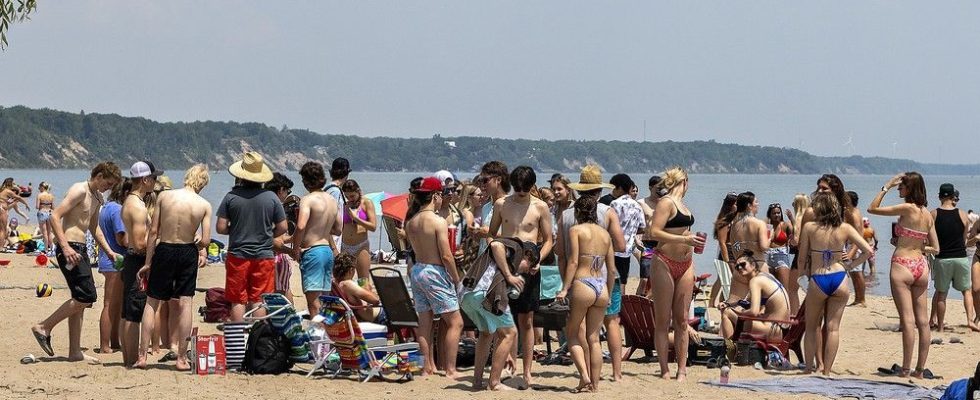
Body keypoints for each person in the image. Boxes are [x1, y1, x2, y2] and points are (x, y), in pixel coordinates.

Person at [31, 162, 122, 363]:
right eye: (107, 183)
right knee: (87, 296)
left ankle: (74, 351)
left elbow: (94, 228)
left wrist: (110, 252)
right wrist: (65, 247)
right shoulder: (79, 190)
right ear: (98, 175)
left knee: (80, 298)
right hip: (69, 248)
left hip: (81, 249)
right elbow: (55, 216)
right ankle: (44, 327)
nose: (108, 187)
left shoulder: (98, 197)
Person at [135, 164, 212, 370]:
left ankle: (142, 357)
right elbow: (205, 240)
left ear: (187, 177)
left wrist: (148, 262)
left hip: (165, 249)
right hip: (187, 250)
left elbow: (153, 232)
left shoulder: (165, 197)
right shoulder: (204, 205)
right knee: (185, 303)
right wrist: (197, 242)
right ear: (203, 183)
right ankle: (181, 359)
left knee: (152, 301)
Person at [555, 165, 626, 381]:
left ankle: (584, 374)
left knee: (577, 331)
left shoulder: (567, 216)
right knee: (608, 325)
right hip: (603, 281)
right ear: (598, 190)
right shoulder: (607, 215)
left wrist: (564, 285)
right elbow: (621, 246)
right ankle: (615, 373)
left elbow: (562, 254)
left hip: (579, 281)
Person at [867, 172, 939, 378]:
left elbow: (872, 208)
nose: (899, 189)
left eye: (901, 186)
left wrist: (886, 186)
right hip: (921, 265)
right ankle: (919, 369)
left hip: (902, 265)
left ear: (910, 189)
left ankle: (906, 369)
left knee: (907, 320)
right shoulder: (927, 215)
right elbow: (936, 248)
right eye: (897, 186)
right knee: (923, 321)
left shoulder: (907, 208)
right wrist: (918, 245)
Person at [487, 166, 554, 388]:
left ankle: (527, 370)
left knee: (527, 320)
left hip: (530, 264)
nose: (520, 192)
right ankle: (507, 364)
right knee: (503, 318)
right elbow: (491, 235)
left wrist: (537, 261)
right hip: (505, 263)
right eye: (518, 189)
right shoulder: (501, 204)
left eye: (525, 189)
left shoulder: (540, 206)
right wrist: (499, 258)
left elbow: (548, 240)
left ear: (532, 186)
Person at [798, 192, 872, 375]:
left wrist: (803, 276)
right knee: (833, 329)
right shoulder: (844, 228)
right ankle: (827, 372)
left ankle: (809, 368)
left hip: (819, 277)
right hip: (839, 277)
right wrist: (850, 265)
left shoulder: (809, 227)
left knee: (811, 326)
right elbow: (868, 251)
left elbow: (801, 259)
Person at [646, 167, 704, 381]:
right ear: (685, 182)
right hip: (664, 261)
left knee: (682, 320)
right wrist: (684, 240)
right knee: (663, 320)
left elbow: (681, 232)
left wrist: (690, 241)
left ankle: (682, 369)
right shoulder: (666, 202)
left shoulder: (684, 206)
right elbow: (654, 232)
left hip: (686, 263)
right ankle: (664, 369)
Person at [216, 152, 288, 322]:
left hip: (238, 255)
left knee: (237, 300)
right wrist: (268, 234)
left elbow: (220, 228)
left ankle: (238, 339)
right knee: (259, 299)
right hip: (264, 256)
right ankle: (256, 338)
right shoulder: (271, 197)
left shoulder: (231, 197)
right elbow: (283, 227)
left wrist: (235, 231)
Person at [556, 196, 616, 393]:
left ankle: (584, 376)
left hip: (583, 283)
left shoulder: (576, 230)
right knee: (594, 338)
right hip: (601, 286)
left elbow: (573, 261)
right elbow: (612, 268)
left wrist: (565, 288)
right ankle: (595, 385)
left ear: (577, 212)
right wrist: (607, 292)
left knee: (572, 333)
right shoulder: (605, 234)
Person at [405, 176, 463, 379]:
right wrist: (457, 280)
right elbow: (446, 255)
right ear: (436, 196)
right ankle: (450, 369)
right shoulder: (438, 221)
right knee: (456, 322)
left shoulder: (411, 222)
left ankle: (426, 367)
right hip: (434, 271)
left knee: (425, 322)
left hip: (417, 270)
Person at [459, 238, 535, 391]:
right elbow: (495, 244)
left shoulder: (507, 261)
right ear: (527, 255)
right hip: (483, 292)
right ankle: (494, 382)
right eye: (530, 266)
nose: (526, 271)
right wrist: (509, 276)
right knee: (510, 333)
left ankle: (477, 381)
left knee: (486, 333)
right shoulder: (518, 247)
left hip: (467, 294)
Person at [118, 161, 162, 367]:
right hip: (137, 261)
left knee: (128, 312)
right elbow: (139, 243)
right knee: (134, 313)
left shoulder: (132, 201)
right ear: (145, 180)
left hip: (131, 259)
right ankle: (131, 360)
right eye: (153, 178)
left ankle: (128, 359)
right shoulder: (137, 207)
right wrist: (161, 241)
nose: (155, 181)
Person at [291, 161, 342, 318]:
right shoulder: (332, 200)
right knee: (325, 300)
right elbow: (338, 229)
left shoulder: (308, 200)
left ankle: (318, 336)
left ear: (306, 181)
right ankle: (327, 334)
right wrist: (322, 227)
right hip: (327, 251)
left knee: (313, 302)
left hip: (313, 251)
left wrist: (296, 248)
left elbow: (300, 226)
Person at [929, 183, 978, 332]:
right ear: (952, 197)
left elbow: (930, 238)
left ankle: (941, 326)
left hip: (942, 258)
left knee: (942, 294)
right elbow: (965, 240)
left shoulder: (933, 214)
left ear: (939, 197)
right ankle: (970, 320)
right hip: (961, 257)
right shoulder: (963, 214)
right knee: (967, 290)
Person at [719, 250, 791, 340]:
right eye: (737, 267)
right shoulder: (766, 276)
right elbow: (747, 302)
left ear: (753, 265)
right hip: (782, 328)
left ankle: (730, 349)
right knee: (731, 310)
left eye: (743, 264)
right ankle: (734, 346)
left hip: (772, 330)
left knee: (727, 312)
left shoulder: (755, 281)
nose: (740, 268)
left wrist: (738, 312)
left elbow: (754, 312)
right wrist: (729, 304)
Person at [95, 180, 129, 354]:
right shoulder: (117, 210)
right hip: (116, 260)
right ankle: (105, 345)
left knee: (115, 305)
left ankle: (114, 341)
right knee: (110, 305)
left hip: (107, 259)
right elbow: (121, 238)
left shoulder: (107, 207)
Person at [608, 174, 645, 294]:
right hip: (627, 249)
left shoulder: (614, 204)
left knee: (611, 278)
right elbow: (642, 227)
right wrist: (632, 231)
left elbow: (609, 224)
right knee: (623, 280)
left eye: (614, 188)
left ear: (619, 188)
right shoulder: (637, 206)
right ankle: (620, 306)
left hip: (613, 247)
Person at [264, 173, 296, 299]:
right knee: (282, 292)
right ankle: (288, 316)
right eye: (287, 191)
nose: (287, 194)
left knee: (282, 290)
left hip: (272, 258)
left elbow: (278, 239)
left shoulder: (265, 206)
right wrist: (291, 251)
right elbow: (274, 242)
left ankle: (288, 316)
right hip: (276, 259)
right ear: (281, 189)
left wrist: (292, 239)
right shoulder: (274, 208)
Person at [340, 179, 377, 287]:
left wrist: (356, 218)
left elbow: (373, 226)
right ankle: (350, 302)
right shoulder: (345, 205)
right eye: (347, 196)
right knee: (344, 280)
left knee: (363, 281)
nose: (350, 199)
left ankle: (366, 301)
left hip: (361, 245)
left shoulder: (366, 203)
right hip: (345, 245)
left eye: (352, 196)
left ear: (358, 191)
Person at [332, 253, 383, 323]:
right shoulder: (347, 284)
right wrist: (367, 289)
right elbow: (376, 300)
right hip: (378, 316)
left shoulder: (335, 284)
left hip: (355, 316)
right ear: (351, 270)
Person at [765, 202, 793, 303]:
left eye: (778, 213)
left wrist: (792, 218)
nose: (777, 215)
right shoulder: (766, 226)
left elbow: (796, 235)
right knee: (769, 289)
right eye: (774, 213)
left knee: (785, 288)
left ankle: (787, 310)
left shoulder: (785, 225)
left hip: (781, 255)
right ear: (770, 215)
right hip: (768, 256)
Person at [787, 193, 810, 315]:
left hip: (800, 256)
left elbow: (796, 241)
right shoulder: (812, 218)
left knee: (792, 289)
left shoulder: (800, 218)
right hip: (811, 256)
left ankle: (794, 314)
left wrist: (791, 241)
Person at [845, 191, 868, 307]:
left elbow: (858, 233)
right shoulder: (853, 211)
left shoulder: (853, 214)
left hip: (854, 245)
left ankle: (861, 299)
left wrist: (852, 251)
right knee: (855, 273)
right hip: (854, 244)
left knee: (857, 273)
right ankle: (858, 298)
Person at [325, 157, 351, 250]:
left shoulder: (327, 188)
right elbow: (327, 221)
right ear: (346, 173)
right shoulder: (335, 191)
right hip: (331, 244)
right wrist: (334, 249)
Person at [0, 178, 30, 249]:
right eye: (13, 183)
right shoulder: (8, 191)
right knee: (3, 230)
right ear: (10, 184)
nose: (14, 185)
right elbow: (19, 198)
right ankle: (0, 247)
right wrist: (26, 204)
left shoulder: (2, 190)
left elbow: (10, 201)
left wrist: (18, 190)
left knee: (1, 229)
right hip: (2, 210)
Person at [36, 182, 55, 255]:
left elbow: (37, 206)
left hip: (42, 212)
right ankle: (52, 249)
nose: (38, 188)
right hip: (50, 213)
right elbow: (53, 207)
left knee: (44, 233)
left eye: (39, 187)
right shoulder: (51, 196)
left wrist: (42, 205)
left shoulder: (39, 195)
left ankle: (46, 250)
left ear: (42, 187)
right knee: (49, 232)